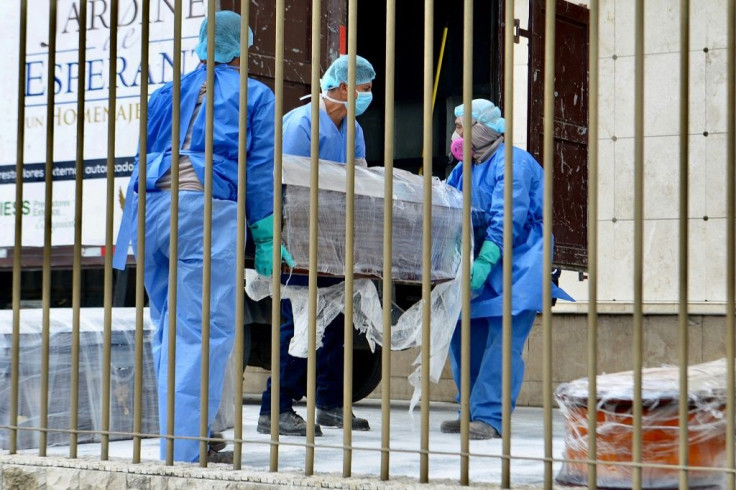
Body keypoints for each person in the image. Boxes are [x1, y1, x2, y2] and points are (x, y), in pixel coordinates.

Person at [113, 11, 292, 463]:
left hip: (149, 209)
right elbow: (259, 170)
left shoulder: (165, 92)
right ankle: (186, 451)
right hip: (202, 212)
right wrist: (267, 235)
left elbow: (141, 153)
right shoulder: (255, 94)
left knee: (169, 329)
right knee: (202, 332)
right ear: (241, 47)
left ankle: (186, 437)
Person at [257, 54, 376, 436]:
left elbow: (360, 182)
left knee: (338, 321)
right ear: (342, 88)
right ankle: (274, 408)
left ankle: (329, 403)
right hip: (299, 239)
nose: (368, 94)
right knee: (299, 324)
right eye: (364, 88)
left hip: (336, 242)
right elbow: (288, 188)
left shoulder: (353, 129)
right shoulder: (302, 124)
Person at [441, 99, 572, 439]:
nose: (456, 135)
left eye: (461, 127)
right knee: (464, 336)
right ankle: (468, 410)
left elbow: (507, 217)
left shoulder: (513, 162)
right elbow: (448, 210)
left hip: (519, 265)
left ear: (482, 129)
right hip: (479, 268)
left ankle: (491, 417)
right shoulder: (463, 169)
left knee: (501, 342)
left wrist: (484, 260)